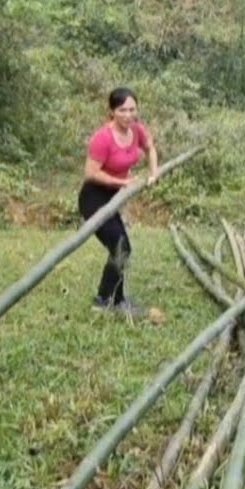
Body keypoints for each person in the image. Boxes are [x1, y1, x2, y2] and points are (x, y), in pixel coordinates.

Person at [79, 87, 159, 317]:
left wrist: (153, 173)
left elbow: (150, 147)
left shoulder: (137, 130)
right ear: (111, 111)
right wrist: (121, 182)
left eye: (132, 109)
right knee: (121, 247)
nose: (128, 115)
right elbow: (91, 173)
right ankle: (109, 299)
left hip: (114, 197)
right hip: (94, 198)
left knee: (121, 247)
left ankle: (110, 298)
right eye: (122, 110)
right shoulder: (102, 138)